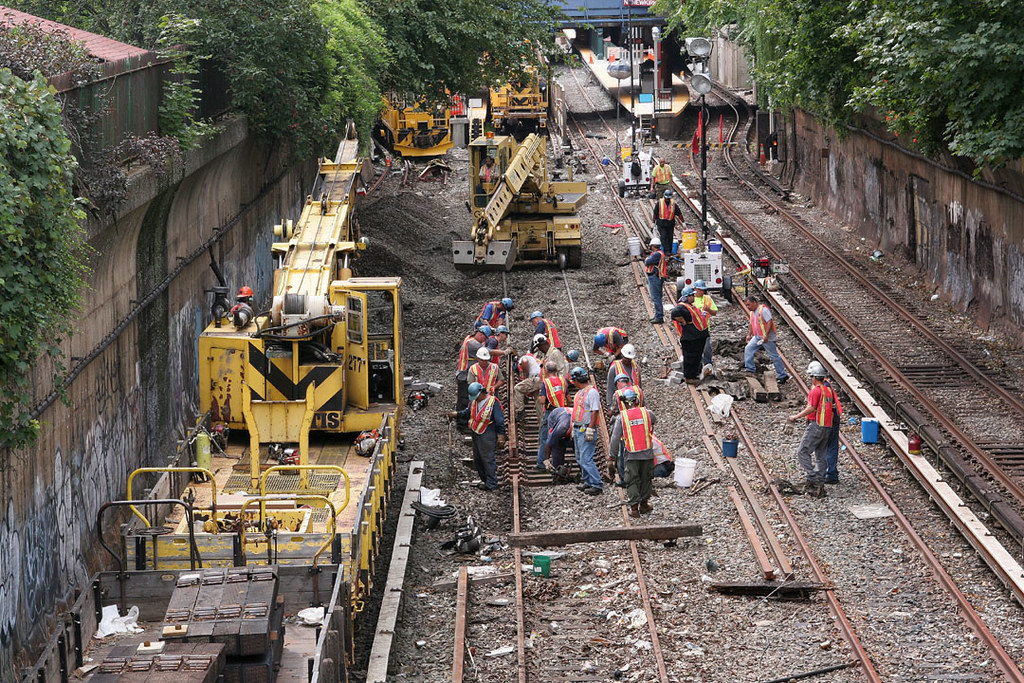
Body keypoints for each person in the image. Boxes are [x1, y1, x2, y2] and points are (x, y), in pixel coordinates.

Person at [786, 361, 836, 498]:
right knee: (820, 454)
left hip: (817, 425)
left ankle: (812, 477)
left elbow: (811, 408)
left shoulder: (816, 390)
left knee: (802, 451)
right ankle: (820, 480)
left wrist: (795, 417)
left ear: (814, 377)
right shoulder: (828, 390)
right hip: (827, 426)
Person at [608, 390, 657, 517]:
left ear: (624, 403)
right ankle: (644, 504)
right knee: (646, 477)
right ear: (637, 400)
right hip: (647, 452)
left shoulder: (621, 418)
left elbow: (614, 439)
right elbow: (652, 424)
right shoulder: (648, 413)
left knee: (632, 479)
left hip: (631, 454)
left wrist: (611, 456)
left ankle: (634, 508)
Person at [451, 382, 505, 490]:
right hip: (476, 432)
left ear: (481, 392)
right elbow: (468, 412)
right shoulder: (474, 402)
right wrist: (457, 414)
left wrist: (501, 435)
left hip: (488, 432)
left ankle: (492, 483)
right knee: (478, 458)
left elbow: (499, 420)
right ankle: (485, 480)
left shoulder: (493, 402)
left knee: (487, 458)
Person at [570, 367, 603, 495]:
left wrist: (590, 428)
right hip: (578, 428)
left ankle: (596, 484)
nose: (573, 383)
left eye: (574, 380)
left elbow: (595, 411)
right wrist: (574, 426)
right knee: (579, 457)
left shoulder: (591, 392)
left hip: (586, 429)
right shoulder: (580, 392)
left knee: (586, 458)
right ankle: (588, 481)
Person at [744, 297, 790, 383]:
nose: (747, 307)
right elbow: (752, 324)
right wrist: (749, 335)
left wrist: (766, 335)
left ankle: (782, 375)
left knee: (774, 356)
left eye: (749, 305)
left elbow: (769, 322)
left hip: (767, 338)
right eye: (746, 305)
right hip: (757, 337)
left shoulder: (763, 310)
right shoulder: (752, 312)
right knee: (748, 349)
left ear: (754, 302)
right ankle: (750, 369)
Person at [670, 287, 709, 384]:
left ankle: (695, 373)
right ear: (687, 297)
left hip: (698, 336)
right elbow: (674, 313)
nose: (694, 297)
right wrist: (682, 320)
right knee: (690, 357)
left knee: (697, 356)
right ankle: (689, 377)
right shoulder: (682, 306)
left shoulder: (690, 305)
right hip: (690, 337)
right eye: (692, 295)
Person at [456, 326, 491, 431]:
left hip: (464, 374)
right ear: (480, 334)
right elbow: (487, 352)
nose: (484, 340)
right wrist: (503, 352)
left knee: (465, 399)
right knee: (464, 400)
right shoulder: (473, 344)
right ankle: (461, 425)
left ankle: (464, 422)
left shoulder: (469, 339)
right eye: (484, 338)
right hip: (464, 376)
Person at [535, 362, 568, 469]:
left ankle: (541, 463)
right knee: (559, 438)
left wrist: (539, 397)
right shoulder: (563, 381)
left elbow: (542, 400)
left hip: (551, 413)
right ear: (557, 370)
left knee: (545, 438)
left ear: (546, 371)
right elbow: (569, 398)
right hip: (563, 413)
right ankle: (557, 463)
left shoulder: (546, 382)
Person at [693, 280, 718, 374]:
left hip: (705, 328)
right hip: (694, 329)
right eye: (700, 290)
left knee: (706, 348)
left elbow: (714, 312)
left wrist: (709, 310)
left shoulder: (707, 299)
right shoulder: (691, 299)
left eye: (703, 290)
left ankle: (708, 365)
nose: (702, 292)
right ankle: (697, 366)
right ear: (695, 289)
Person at [540, 405, 573, 478]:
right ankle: (557, 472)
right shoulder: (561, 428)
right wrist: (546, 459)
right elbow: (549, 443)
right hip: (555, 417)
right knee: (556, 446)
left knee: (579, 451)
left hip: (567, 418)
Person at [823, 378, 844, 484]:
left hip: (828, 419)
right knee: (831, 446)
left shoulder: (823, 388)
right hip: (831, 417)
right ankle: (830, 473)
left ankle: (829, 473)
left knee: (828, 446)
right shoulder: (826, 385)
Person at [644, 237, 668, 323]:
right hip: (657, 277)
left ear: (653, 246)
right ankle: (657, 315)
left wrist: (646, 259)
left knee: (656, 297)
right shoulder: (660, 253)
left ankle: (659, 316)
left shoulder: (656, 254)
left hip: (655, 277)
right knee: (657, 297)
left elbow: (647, 262)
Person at [512, 351, 542, 415]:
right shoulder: (532, 358)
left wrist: (525, 372)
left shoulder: (522, 359)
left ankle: (520, 411)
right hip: (540, 379)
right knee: (538, 404)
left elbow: (524, 361)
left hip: (536, 379)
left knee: (517, 388)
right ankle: (541, 422)